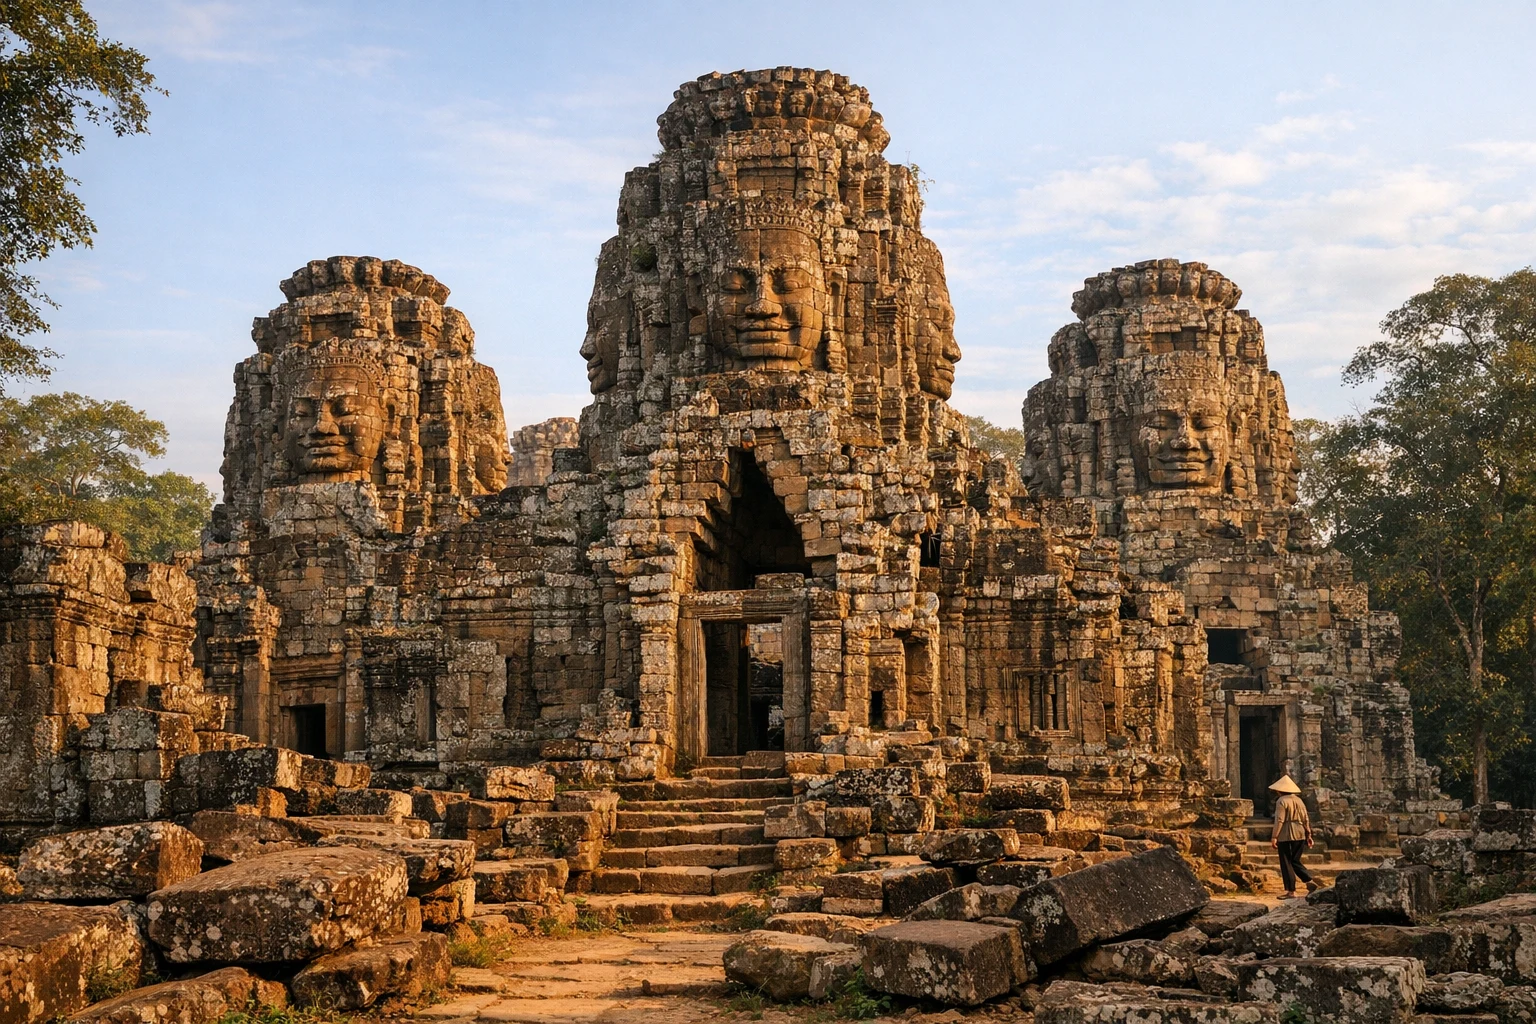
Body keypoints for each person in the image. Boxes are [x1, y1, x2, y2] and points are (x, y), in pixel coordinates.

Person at [1269, 774, 1322, 898]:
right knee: (1295, 860)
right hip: (1300, 833)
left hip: (1286, 834)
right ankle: (1308, 881)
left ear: (1280, 790)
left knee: (1286, 861)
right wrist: (1308, 834)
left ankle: (1291, 891)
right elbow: (1305, 819)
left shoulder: (1281, 801)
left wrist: (1274, 837)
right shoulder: (1299, 800)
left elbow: (1280, 820)